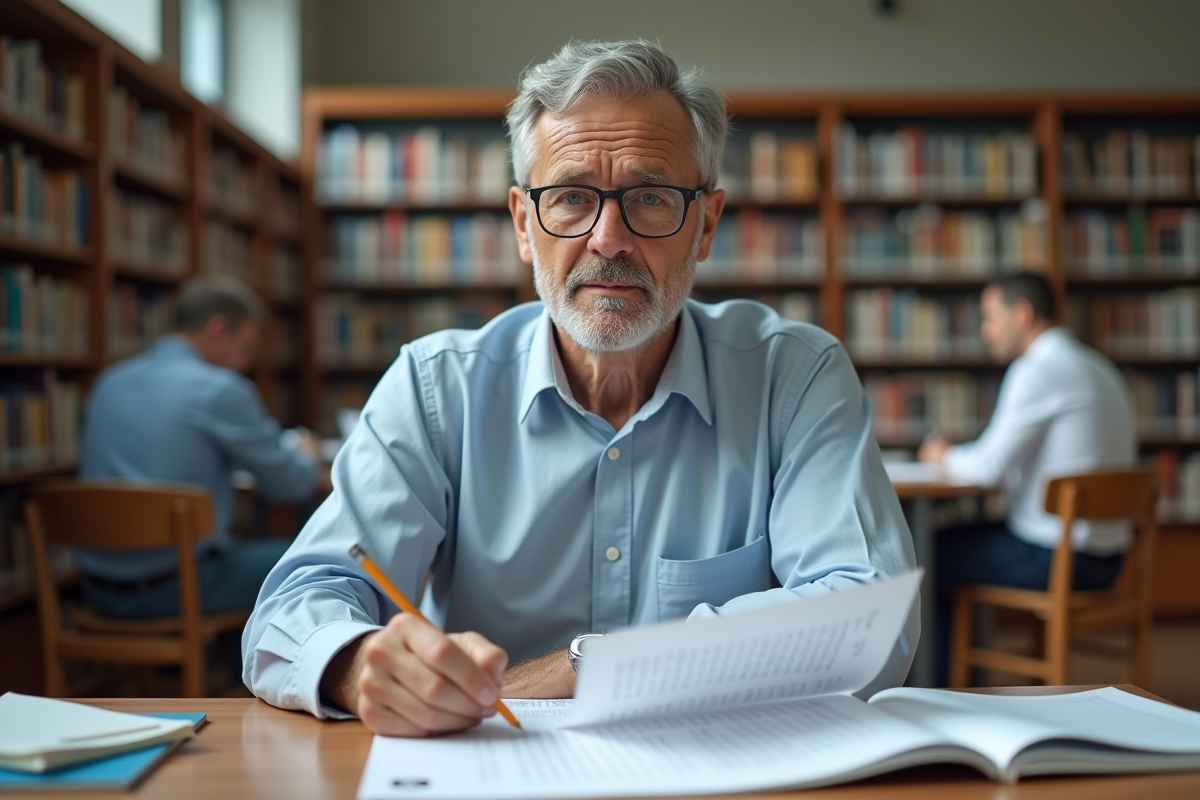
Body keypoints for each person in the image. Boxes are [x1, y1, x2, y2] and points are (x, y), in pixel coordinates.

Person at [244, 40, 919, 737]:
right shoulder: (435, 386)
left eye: (651, 198)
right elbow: (296, 606)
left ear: (706, 225)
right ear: (523, 225)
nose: (608, 239)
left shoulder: (795, 375)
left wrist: (585, 668)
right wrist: (360, 666)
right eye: (570, 198)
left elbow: (869, 618)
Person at [919, 271, 1136, 683]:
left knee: (924, 552)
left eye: (990, 317)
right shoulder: (1099, 366)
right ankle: (961, 675)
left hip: (1057, 559)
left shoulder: (1038, 369)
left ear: (1022, 314)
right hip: (1109, 557)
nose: (986, 332)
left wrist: (941, 454)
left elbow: (987, 469)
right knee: (962, 542)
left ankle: (940, 688)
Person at [78, 275, 322, 620]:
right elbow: (291, 485)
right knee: (315, 563)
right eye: (246, 348)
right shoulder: (220, 390)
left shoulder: (107, 382)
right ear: (217, 330)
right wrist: (306, 454)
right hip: (179, 589)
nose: (244, 365)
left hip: (96, 587)